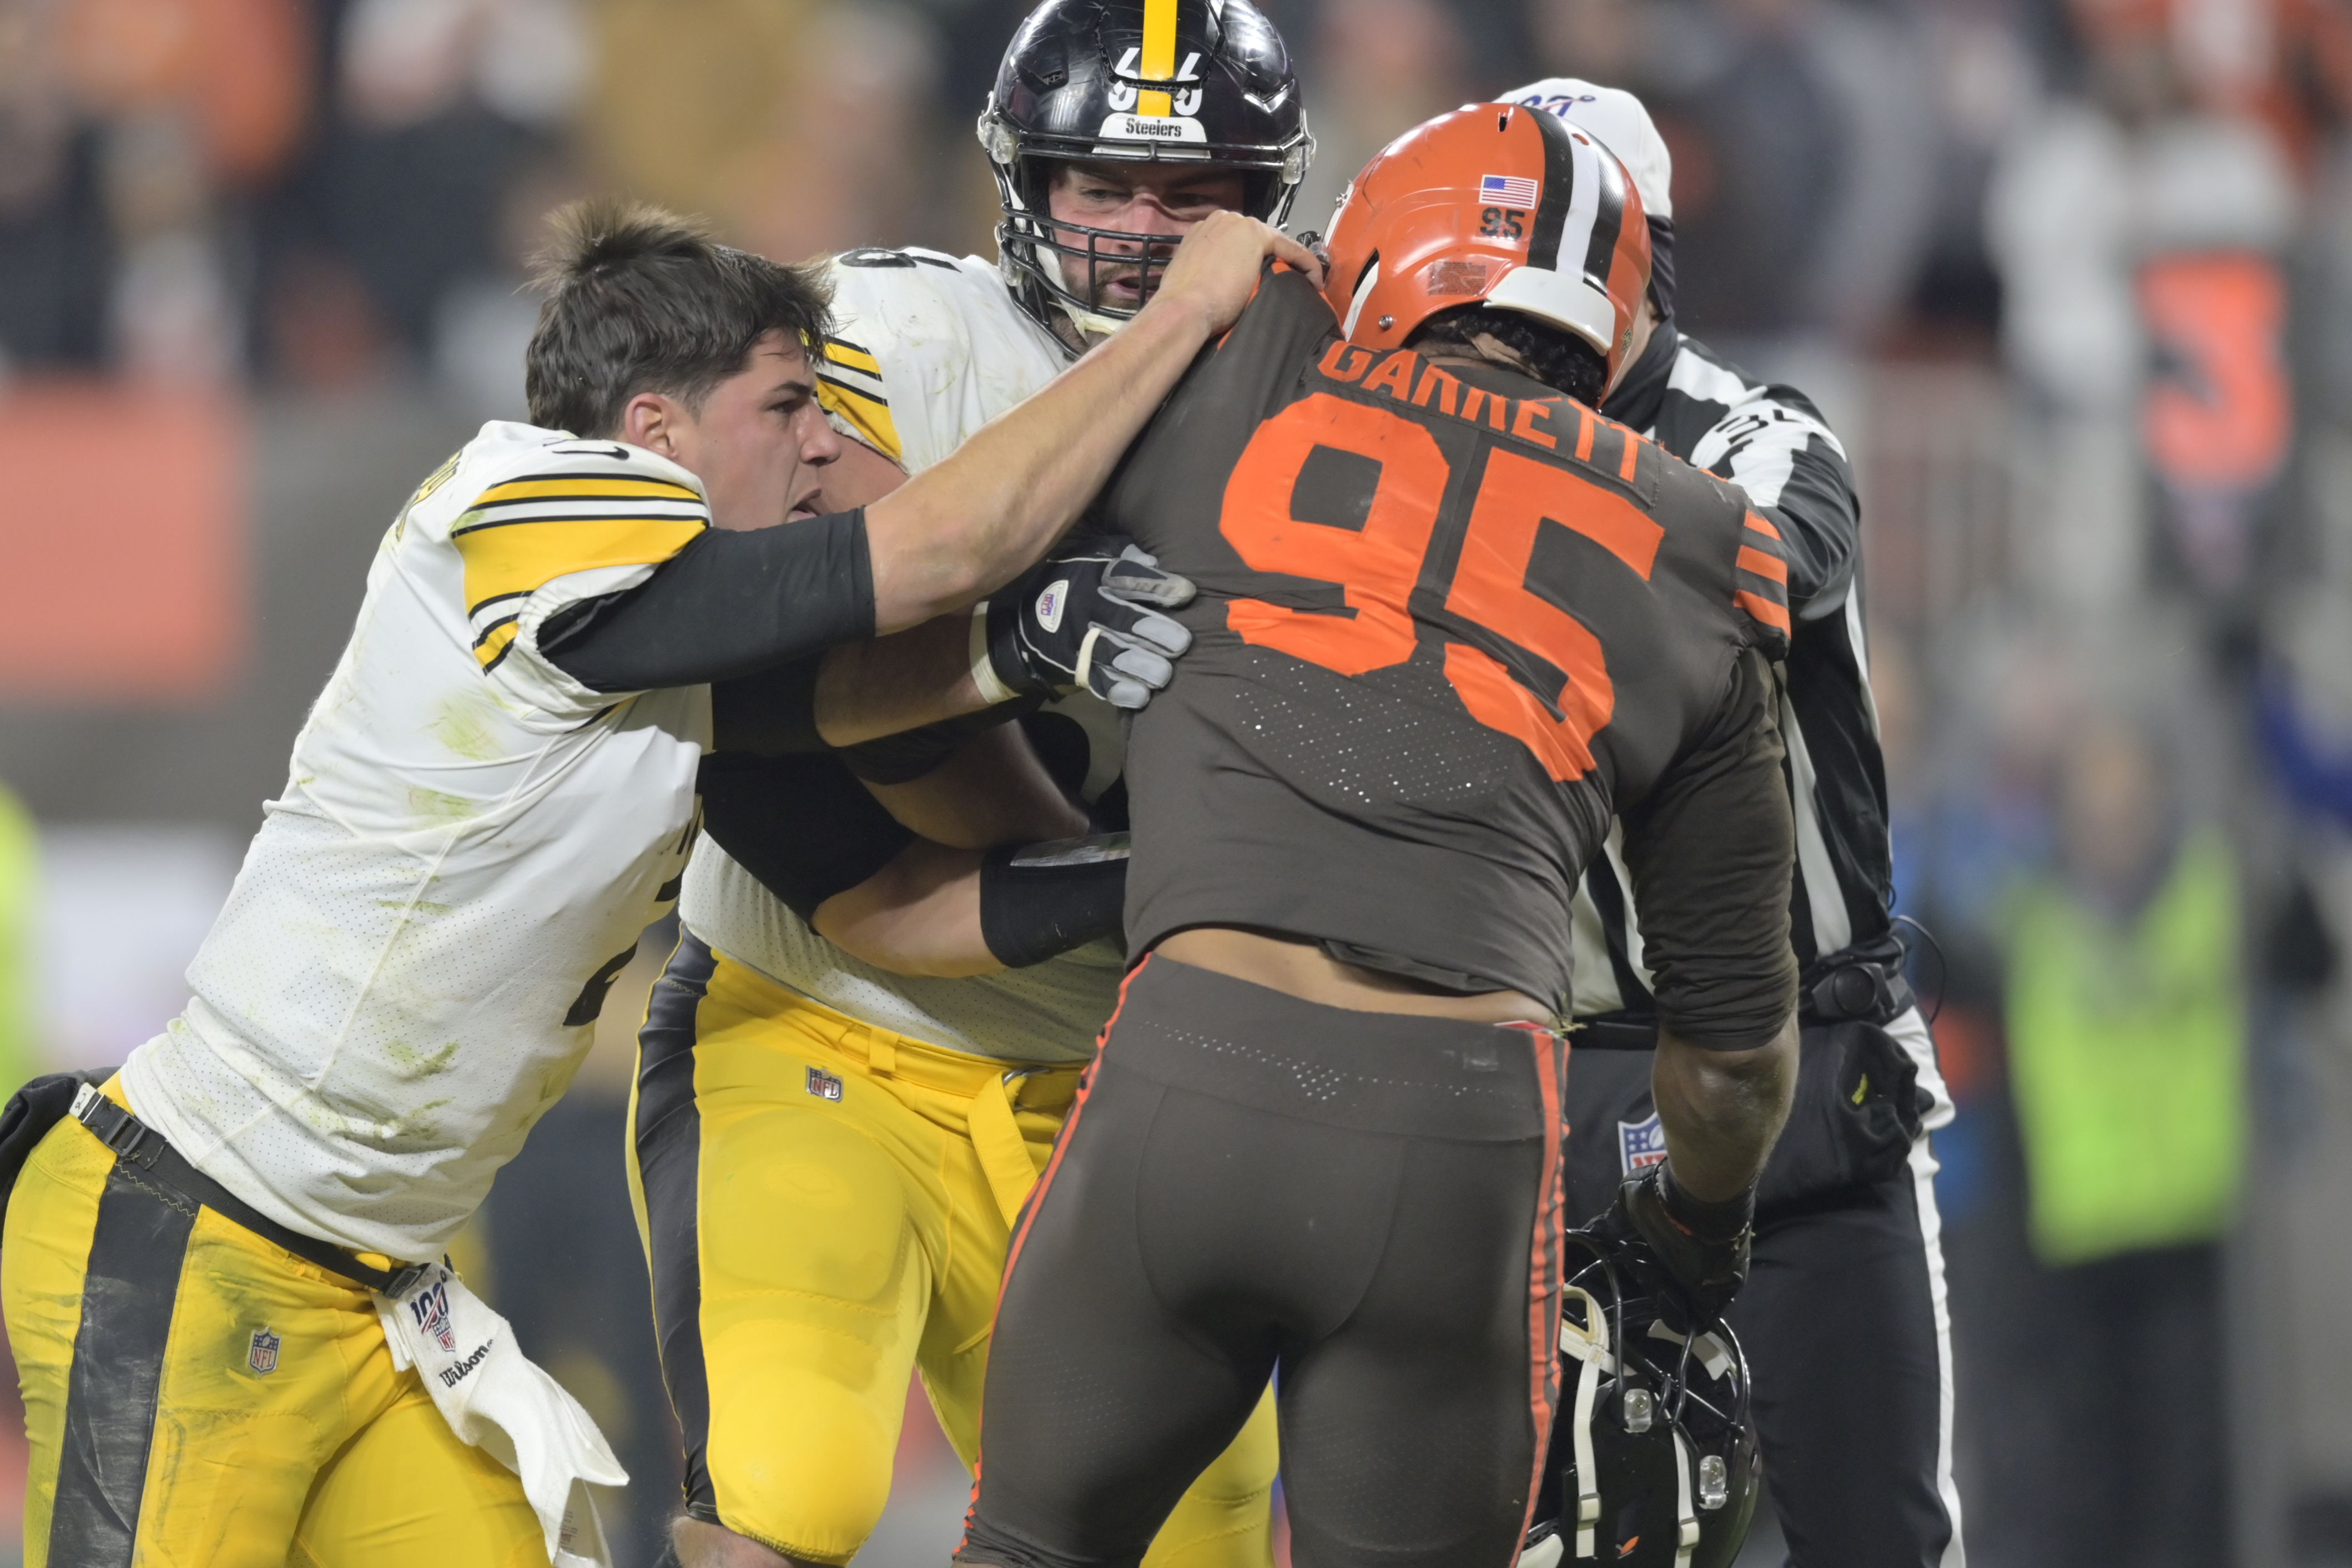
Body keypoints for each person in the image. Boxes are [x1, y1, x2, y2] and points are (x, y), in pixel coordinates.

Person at [0, 196, 1311, 1568]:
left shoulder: (677, 655)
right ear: (652, 430)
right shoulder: (532, 501)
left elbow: (894, 908)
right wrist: (1178, 318)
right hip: (192, 1225)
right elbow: (938, 552)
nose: (825, 441)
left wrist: (1166, 878)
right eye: (788, 405)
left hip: (374, 1292)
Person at [955, 102, 1801, 1568]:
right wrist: (1694, 1236)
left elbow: (955, 540)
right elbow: (1729, 1067)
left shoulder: (1244, 358)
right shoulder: (1706, 554)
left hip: (1188, 1076)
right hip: (1457, 1143)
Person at [628, 4, 1313, 1565]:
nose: (1144, 231)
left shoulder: (1327, 405)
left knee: (1184, 1542)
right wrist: (1005, 626)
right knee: (782, 1495)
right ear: (1021, 179)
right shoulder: (893, 336)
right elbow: (757, 648)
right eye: (1102, 187)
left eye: (1193, 192)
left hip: (1114, 1083)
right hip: (819, 1024)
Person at [1503, 79, 1966, 1568]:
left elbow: (1778, 550)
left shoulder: (1745, 426)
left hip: (1799, 1087)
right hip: (1562, 1090)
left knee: (1872, 1540)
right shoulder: (1429, 446)